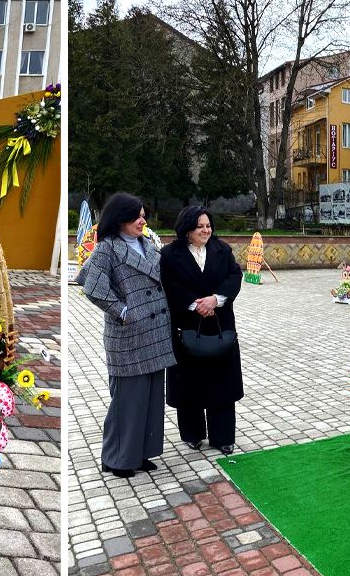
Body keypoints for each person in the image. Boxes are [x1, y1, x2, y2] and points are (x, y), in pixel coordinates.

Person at [76, 193, 176, 478]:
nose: (142, 220)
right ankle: (116, 458)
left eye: (143, 215)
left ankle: (142, 453)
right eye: (136, 216)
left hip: (155, 332)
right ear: (120, 219)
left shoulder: (149, 244)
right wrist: (122, 311)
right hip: (129, 334)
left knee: (151, 397)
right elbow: (91, 286)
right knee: (127, 400)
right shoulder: (107, 248)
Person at [159, 207, 244, 455]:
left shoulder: (222, 250)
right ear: (187, 230)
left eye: (208, 225)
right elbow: (168, 284)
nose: (206, 230)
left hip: (220, 325)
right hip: (187, 326)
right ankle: (192, 434)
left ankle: (223, 437)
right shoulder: (170, 254)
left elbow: (234, 276)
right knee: (189, 384)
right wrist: (196, 304)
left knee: (222, 384)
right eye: (200, 226)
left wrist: (215, 300)